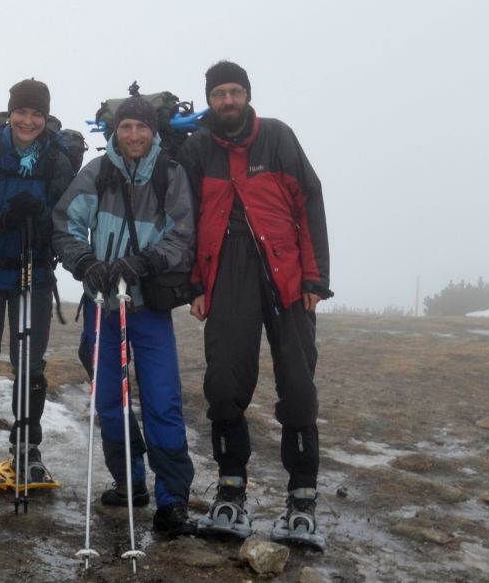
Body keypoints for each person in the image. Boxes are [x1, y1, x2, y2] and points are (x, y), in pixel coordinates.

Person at [176, 60, 332, 545]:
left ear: (247, 95)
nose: (228, 101)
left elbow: (310, 201)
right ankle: (230, 489)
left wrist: (316, 276)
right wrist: (195, 285)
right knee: (223, 381)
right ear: (209, 99)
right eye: (219, 93)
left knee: (298, 383)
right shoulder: (198, 148)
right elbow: (187, 218)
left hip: (285, 271)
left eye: (235, 92)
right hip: (226, 273)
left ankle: (302, 498)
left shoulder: (278, 137)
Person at [53, 95, 199, 538]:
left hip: (147, 307)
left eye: (141, 128)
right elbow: (66, 225)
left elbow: (183, 233)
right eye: (125, 128)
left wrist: (146, 261)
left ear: (153, 132)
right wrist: (85, 263)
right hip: (103, 305)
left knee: (162, 401)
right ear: (114, 132)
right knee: (109, 402)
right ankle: (130, 481)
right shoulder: (96, 174)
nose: (133, 135)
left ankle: (173, 498)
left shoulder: (170, 175)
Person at [0, 79, 75, 485]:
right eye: (21, 112)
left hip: (34, 275)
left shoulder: (59, 159)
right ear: (10, 113)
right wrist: (5, 220)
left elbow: (65, 221)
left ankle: (28, 447)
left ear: (46, 117)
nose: (28, 121)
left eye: (36, 113)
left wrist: (38, 218)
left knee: (30, 366)